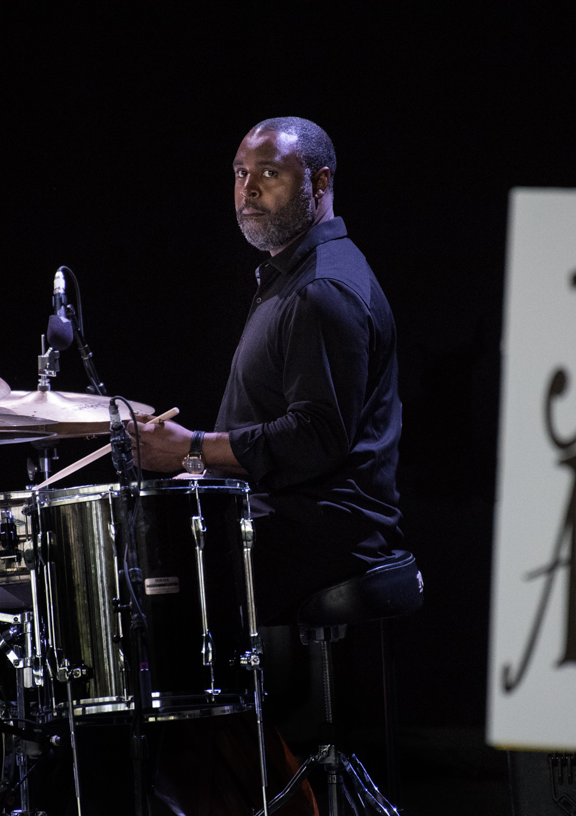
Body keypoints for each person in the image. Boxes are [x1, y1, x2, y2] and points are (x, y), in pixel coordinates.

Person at [130, 116, 402, 625]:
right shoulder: (290, 276)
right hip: (291, 523)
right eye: (239, 173)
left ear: (319, 183)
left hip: (321, 536)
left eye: (269, 174)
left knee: (142, 585)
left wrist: (190, 448)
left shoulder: (322, 291)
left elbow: (319, 435)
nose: (248, 189)